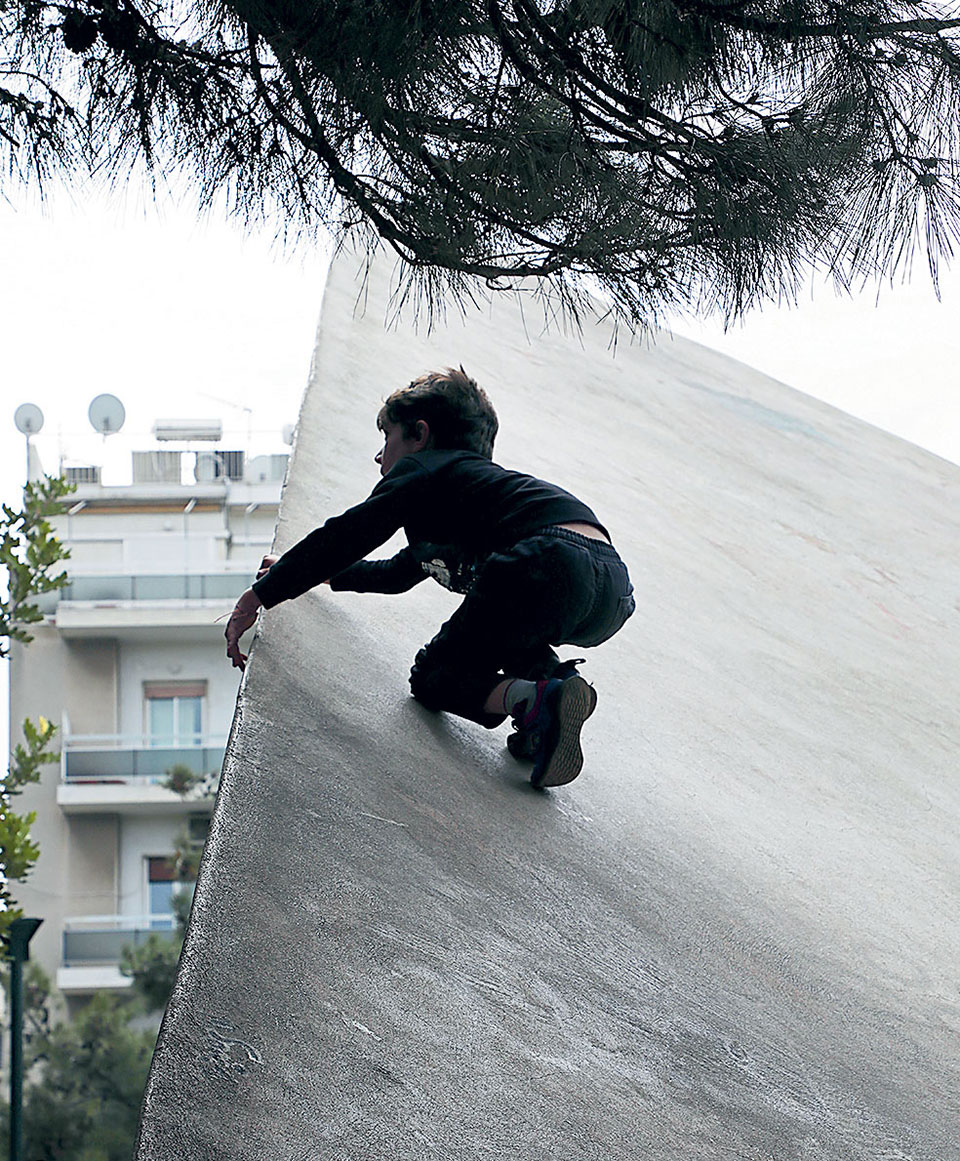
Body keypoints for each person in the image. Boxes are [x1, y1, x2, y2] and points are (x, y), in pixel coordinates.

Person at [225, 368, 634, 788]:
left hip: (547, 558)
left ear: (419, 435)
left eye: (387, 439)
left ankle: (531, 701)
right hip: (611, 591)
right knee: (506, 633)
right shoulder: (471, 496)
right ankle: (556, 695)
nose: (379, 458)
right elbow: (393, 574)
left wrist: (259, 595)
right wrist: (313, 577)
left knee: (432, 675)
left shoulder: (428, 468)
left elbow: (350, 534)